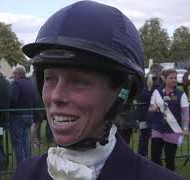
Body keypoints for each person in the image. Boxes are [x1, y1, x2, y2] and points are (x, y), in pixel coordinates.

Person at [12, 1, 185, 179]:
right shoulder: (26, 173)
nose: (56, 96)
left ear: (124, 93)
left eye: (79, 81)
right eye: (50, 79)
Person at [148, 68, 189, 172]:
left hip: (173, 131)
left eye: (175, 78)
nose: (174, 80)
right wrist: (152, 108)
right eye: (171, 78)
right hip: (157, 129)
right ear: (164, 79)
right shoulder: (157, 92)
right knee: (155, 158)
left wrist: (185, 128)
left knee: (169, 160)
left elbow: (185, 113)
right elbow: (151, 105)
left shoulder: (181, 95)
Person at [9, 65, 37, 165]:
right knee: (26, 142)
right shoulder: (31, 83)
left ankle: (21, 166)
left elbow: (13, 99)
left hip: (17, 115)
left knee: (18, 143)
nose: (13, 76)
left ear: (17, 74)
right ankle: (28, 165)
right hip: (29, 114)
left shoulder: (16, 83)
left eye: (14, 74)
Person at [137, 63, 164, 157]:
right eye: (161, 71)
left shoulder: (143, 79)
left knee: (144, 138)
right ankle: (152, 158)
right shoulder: (155, 82)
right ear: (159, 71)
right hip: (150, 114)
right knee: (152, 138)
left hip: (143, 113)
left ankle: (142, 157)